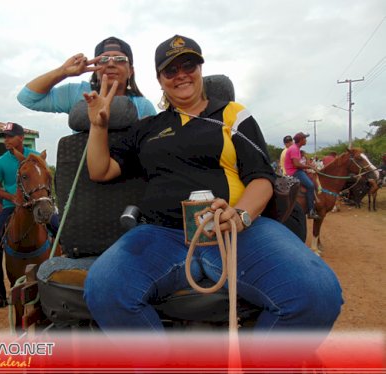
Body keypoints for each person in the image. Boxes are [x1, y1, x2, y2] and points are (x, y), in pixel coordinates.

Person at [82, 35, 342, 351]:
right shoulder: (147, 128)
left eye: (188, 64)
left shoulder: (233, 115)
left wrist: (242, 215)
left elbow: (261, 178)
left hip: (235, 229)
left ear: (200, 68)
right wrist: (98, 126)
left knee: (318, 294)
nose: (180, 74)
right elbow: (100, 170)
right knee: (104, 288)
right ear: (160, 80)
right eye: (170, 70)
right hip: (161, 235)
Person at [17, 36, 156, 119]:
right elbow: (26, 98)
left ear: (130, 71)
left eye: (120, 59)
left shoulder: (142, 106)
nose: (111, 63)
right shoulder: (78, 93)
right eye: (103, 59)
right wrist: (63, 71)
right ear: (95, 69)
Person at [0, 122, 43, 304]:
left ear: (21, 138)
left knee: (57, 226)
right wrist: (11, 198)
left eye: (10, 136)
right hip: (11, 207)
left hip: (35, 203)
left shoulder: (35, 157)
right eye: (4, 137)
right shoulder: (0, 162)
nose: (6, 140)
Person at [285, 132, 320, 219]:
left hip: (297, 170)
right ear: (301, 140)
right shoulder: (294, 149)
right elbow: (296, 164)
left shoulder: (296, 148)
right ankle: (311, 211)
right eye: (305, 138)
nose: (306, 140)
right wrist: (310, 167)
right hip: (295, 172)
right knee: (310, 186)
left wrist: (308, 167)